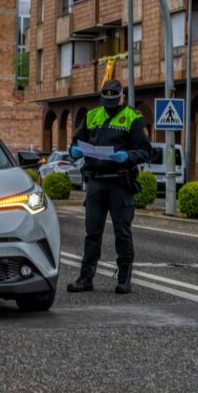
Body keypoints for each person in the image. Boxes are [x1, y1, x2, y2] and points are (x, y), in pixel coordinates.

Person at [67, 79, 152, 295]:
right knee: (92, 233)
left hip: (120, 183)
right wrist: (74, 150)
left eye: (113, 102)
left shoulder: (133, 118)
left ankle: (124, 280)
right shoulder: (92, 116)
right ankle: (86, 278)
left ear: (121, 97)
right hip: (96, 181)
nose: (109, 106)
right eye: (105, 102)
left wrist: (128, 156)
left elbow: (146, 151)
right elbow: (76, 142)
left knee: (122, 232)